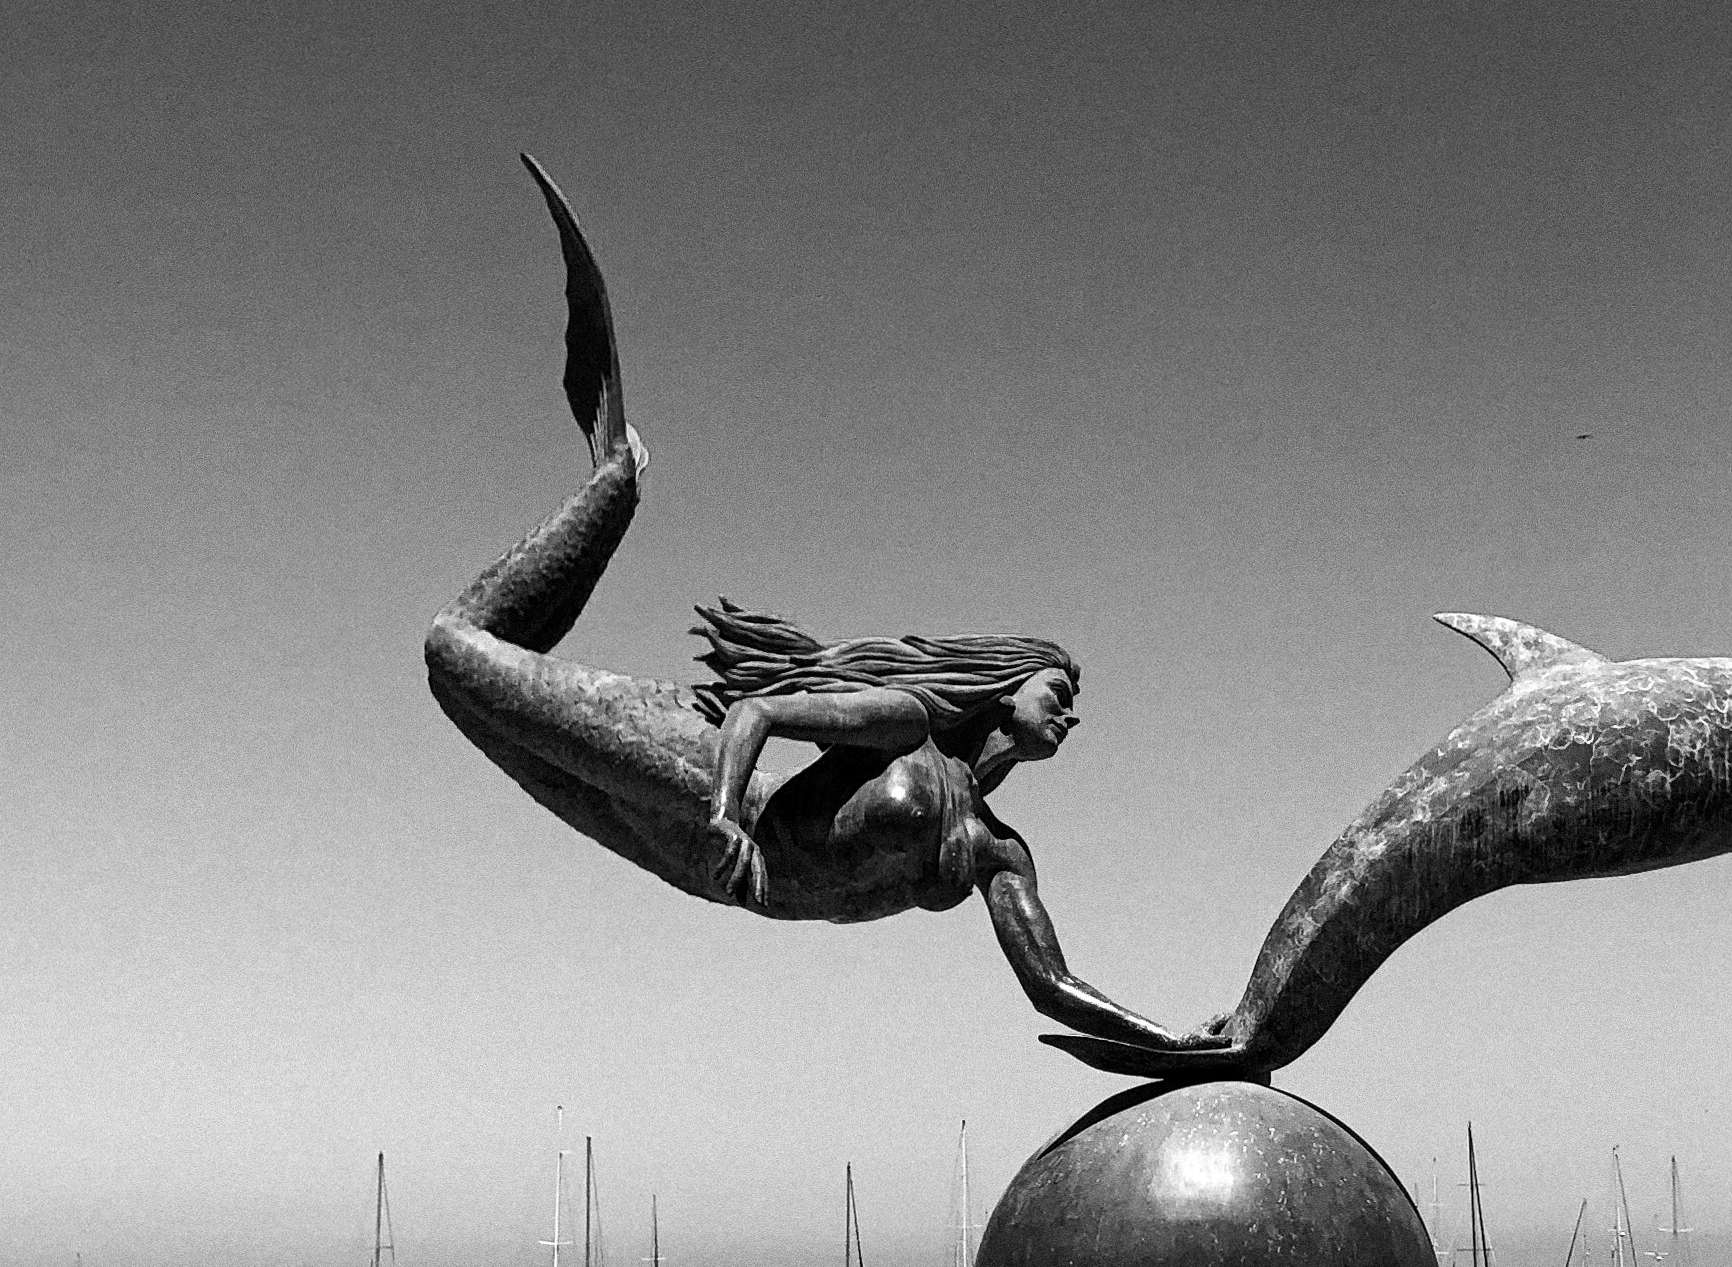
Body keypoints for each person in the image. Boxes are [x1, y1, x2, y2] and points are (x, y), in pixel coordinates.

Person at [424, 162, 1183, 1055]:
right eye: (1058, 690)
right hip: (708, 786)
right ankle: (615, 482)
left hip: (716, 873)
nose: (1070, 712)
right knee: (454, 651)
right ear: (1005, 683)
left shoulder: (996, 848)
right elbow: (757, 711)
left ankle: (591, 526)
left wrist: (1181, 1044)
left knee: (489, 713)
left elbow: (1051, 985)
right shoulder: (906, 725)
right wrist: (721, 812)